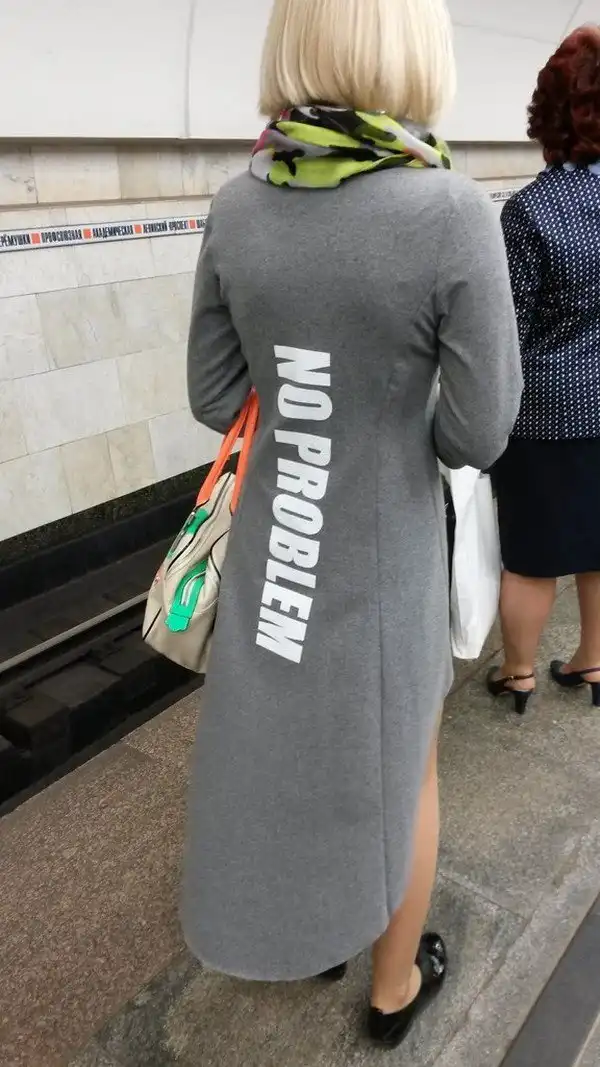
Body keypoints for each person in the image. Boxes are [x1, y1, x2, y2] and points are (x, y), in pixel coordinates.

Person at [182, 0, 522, 1049]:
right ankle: (391, 986)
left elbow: (213, 392)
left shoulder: (239, 205)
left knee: (289, 744)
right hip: (387, 558)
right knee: (402, 764)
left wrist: (306, 401)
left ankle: (311, 925)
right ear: (418, 51)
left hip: (276, 547)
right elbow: (480, 428)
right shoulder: (450, 211)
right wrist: (386, 412)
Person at [488, 25, 600, 716]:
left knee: (531, 554)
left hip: (545, 413)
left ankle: (519, 673)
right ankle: (593, 661)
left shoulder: (530, 211)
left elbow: (509, 332)